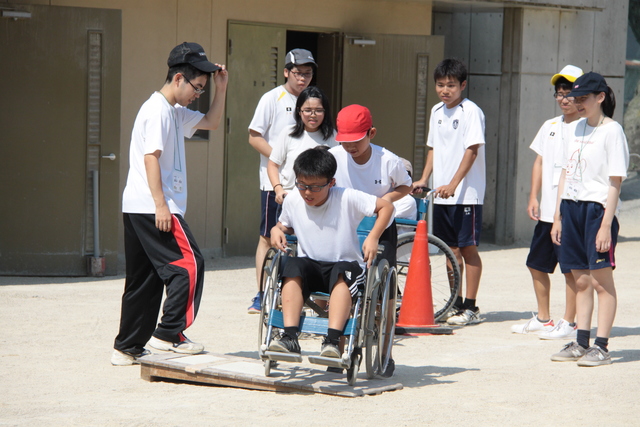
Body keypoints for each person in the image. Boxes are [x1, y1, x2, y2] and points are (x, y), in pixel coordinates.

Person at [111, 42, 228, 366]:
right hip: (153, 207)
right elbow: (152, 158)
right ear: (179, 78)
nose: (198, 94)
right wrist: (161, 205)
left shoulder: (174, 112)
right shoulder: (158, 111)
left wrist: (220, 89)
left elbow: (211, 123)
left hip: (138, 205)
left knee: (144, 279)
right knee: (190, 265)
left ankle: (127, 347)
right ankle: (169, 332)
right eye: (197, 87)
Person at [268, 147, 394, 364]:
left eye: (316, 187)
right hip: (311, 266)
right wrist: (275, 229)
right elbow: (285, 225)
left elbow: (387, 207)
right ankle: (289, 336)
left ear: (331, 183)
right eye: (302, 185)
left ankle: (333, 341)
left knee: (341, 271)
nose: (308, 192)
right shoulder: (293, 200)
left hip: (346, 267)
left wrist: (373, 237)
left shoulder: (347, 197)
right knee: (292, 266)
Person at [550, 72, 629, 366]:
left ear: (600, 97)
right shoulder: (575, 129)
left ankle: (602, 346)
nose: (578, 103)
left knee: (601, 282)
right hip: (571, 208)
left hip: (597, 210)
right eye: (575, 98)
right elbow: (565, 173)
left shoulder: (613, 131)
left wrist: (606, 224)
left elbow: (615, 181)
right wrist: (557, 216)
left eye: (583, 98)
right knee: (580, 279)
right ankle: (581, 342)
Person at [329, 104, 412, 377]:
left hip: (380, 225)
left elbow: (406, 185)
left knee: (384, 293)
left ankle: (386, 351)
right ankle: (337, 347)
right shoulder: (334, 157)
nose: (350, 148)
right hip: (345, 226)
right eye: (345, 142)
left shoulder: (388, 160)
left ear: (371, 133)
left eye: (356, 141)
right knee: (340, 283)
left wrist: (386, 200)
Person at [412, 58, 486, 326]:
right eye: (441, 85)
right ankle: (454, 304)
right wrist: (423, 178)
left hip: (467, 194)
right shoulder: (435, 111)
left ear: (463, 85)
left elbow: (472, 150)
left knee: (467, 249)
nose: (445, 90)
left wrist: (454, 184)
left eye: (451, 85)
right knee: (449, 250)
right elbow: (434, 149)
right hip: (442, 194)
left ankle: (471, 306)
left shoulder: (471, 112)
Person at [511, 65, 582, 339]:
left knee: (570, 269)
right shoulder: (549, 126)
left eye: (570, 94)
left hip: (570, 212)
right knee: (536, 263)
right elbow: (539, 161)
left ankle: (570, 322)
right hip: (547, 213)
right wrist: (533, 196)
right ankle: (544, 318)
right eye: (559, 94)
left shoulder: (586, 128)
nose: (564, 99)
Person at [247, 49, 317, 313]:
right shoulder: (272, 98)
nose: (303, 79)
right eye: (298, 73)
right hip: (275, 183)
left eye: (308, 74)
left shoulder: (313, 101)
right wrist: (281, 159)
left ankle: (299, 296)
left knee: (306, 238)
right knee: (268, 237)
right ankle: (261, 294)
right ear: (287, 71)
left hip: (308, 185)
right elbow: (254, 137)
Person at [267, 86, 337, 209]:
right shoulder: (288, 133)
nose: (313, 115)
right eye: (308, 110)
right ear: (299, 111)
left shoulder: (332, 135)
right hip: (291, 199)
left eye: (319, 110)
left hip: (321, 202)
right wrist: (278, 189)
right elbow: (273, 164)